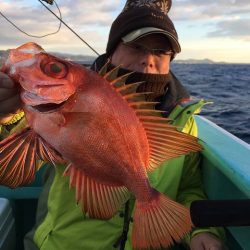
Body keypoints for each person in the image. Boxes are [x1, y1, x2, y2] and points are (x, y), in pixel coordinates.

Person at [0, 0, 228, 249]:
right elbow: (14, 161)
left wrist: (201, 231)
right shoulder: (40, 108)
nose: (148, 60)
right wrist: (5, 117)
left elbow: (188, 186)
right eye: (136, 47)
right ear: (112, 51)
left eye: (161, 52)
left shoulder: (183, 121)